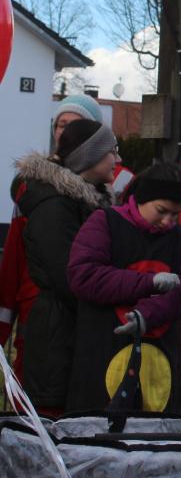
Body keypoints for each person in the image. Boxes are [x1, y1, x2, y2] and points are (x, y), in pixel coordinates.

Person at [0, 94, 134, 379]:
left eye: (76, 125)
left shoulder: (110, 185)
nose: (65, 132)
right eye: (61, 124)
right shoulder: (48, 198)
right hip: (46, 317)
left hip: (74, 325)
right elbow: (20, 260)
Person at [66, 162, 181, 413]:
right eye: (161, 210)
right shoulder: (105, 222)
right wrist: (150, 282)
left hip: (161, 363)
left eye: (175, 214)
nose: (167, 221)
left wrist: (147, 314)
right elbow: (83, 276)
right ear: (142, 198)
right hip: (102, 352)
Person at [13, 119, 119, 414]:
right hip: (58, 340)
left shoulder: (83, 202)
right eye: (112, 150)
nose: (118, 159)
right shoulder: (55, 207)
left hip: (73, 334)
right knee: (56, 426)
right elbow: (70, 278)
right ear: (89, 156)